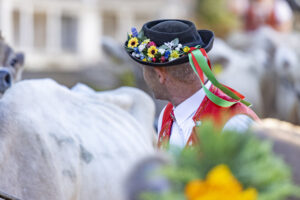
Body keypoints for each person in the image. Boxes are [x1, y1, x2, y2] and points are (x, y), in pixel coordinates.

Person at [124, 19, 259, 150]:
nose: (144, 75)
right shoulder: (167, 114)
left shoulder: (234, 123)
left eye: (144, 69)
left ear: (160, 75)